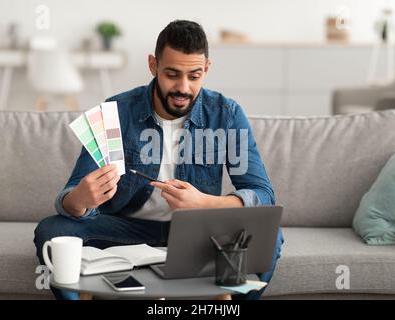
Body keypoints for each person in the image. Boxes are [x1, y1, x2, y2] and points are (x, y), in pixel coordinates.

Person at [34, 20, 284, 300]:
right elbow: (71, 196)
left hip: (199, 234)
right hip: (126, 230)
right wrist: (79, 200)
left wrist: (203, 203)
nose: (183, 87)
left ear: (207, 69)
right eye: (172, 74)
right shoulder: (115, 111)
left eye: (194, 75)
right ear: (153, 65)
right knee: (52, 230)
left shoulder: (226, 114)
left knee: (271, 236)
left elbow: (263, 195)